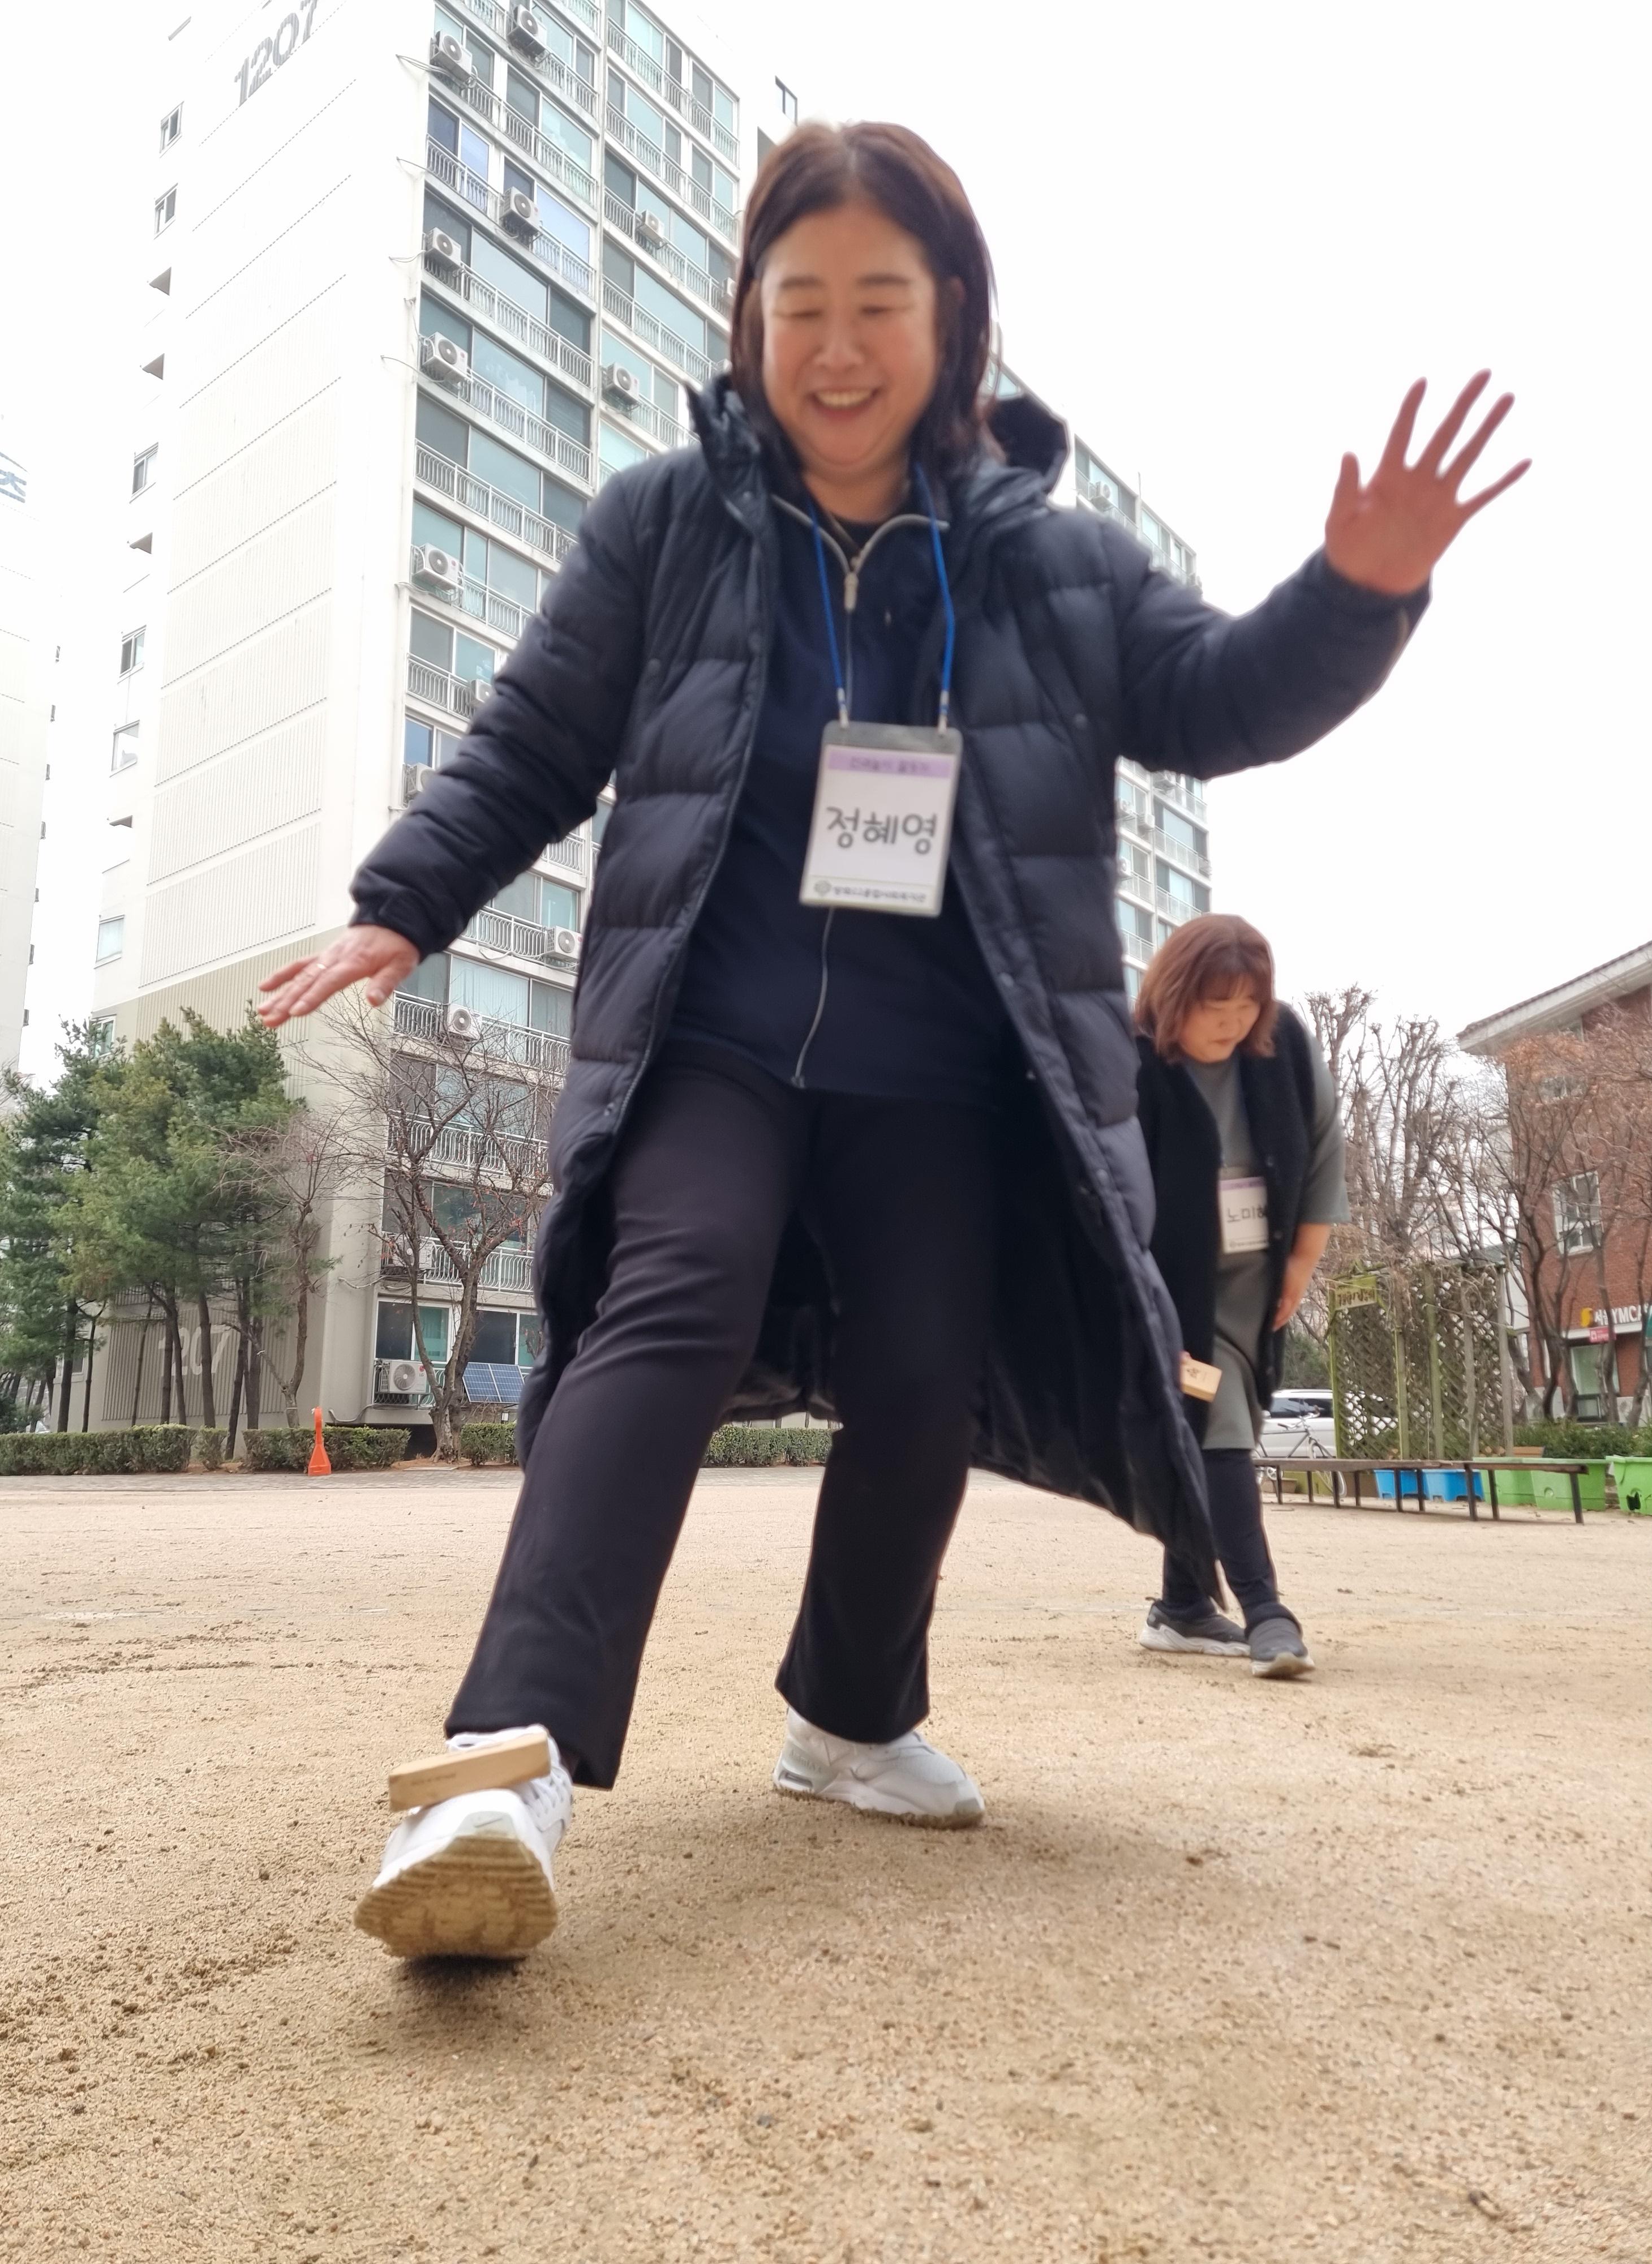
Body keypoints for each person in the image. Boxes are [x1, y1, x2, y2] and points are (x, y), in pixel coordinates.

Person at [258, 121, 1525, 1960]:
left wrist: (1359, 592)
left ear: (955, 321)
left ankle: (851, 1717)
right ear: (750, 320)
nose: (837, 346)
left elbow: (1216, 699)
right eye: (801, 304)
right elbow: (534, 738)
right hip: (714, 1037)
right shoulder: (666, 524)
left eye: (880, 301)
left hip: (943, 1074)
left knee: (929, 1369)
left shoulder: (1051, 563)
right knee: (677, 1287)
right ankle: (494, 1764)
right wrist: (406, 899)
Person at [1132, 917, 1349, 1677]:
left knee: (1219, 1425)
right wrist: (1142, 1309)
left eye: (1246, 1007)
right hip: (1172, 1282)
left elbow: (1322, 1145)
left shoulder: (1282, 1044)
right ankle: (1267, 1611)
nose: (1232, 1025)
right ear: (1173, 998)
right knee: (1220, 1424)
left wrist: (1302, 1263)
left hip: (1258, 1277)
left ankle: (1183, 1605)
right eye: (1213, 1008)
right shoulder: (1131, 1061)